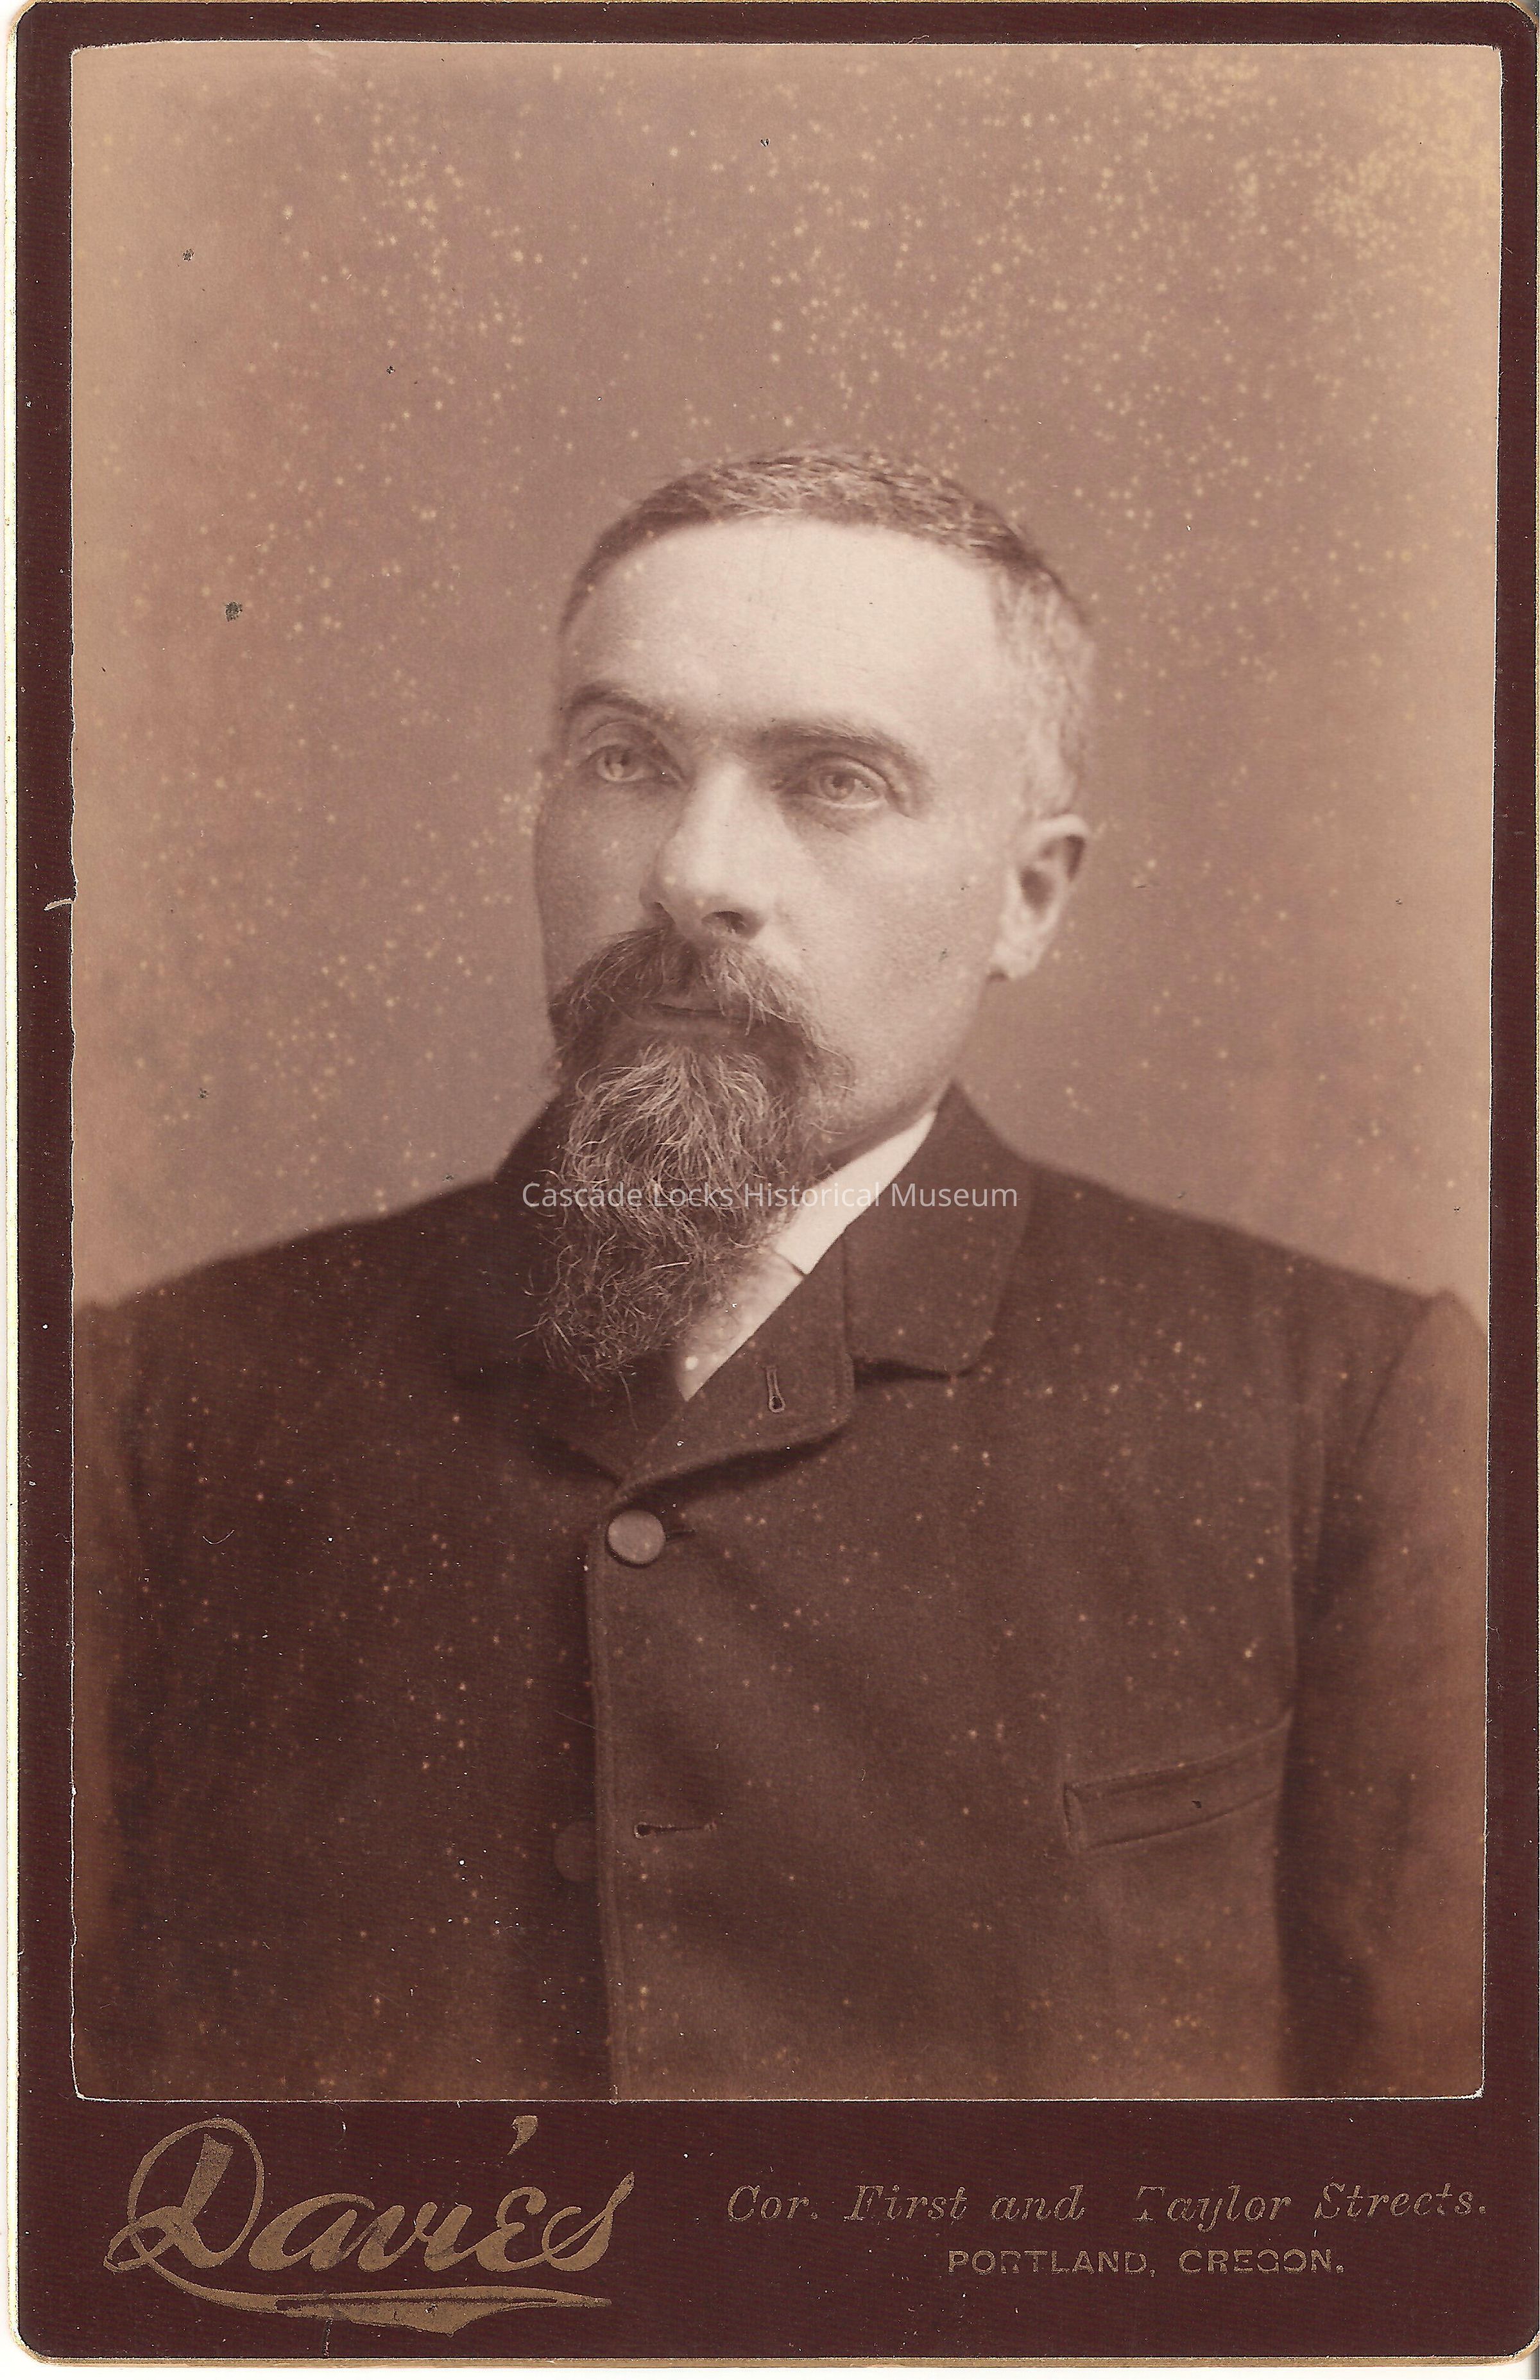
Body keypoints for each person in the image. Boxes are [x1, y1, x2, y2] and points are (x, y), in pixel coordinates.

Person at [73, 449, 1485, 2102]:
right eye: (627, 760)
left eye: (834, 781)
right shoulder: (156, 1407)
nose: (695, 875)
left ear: (1028, 898)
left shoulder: (1345, 1410)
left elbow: (1421, 2190)